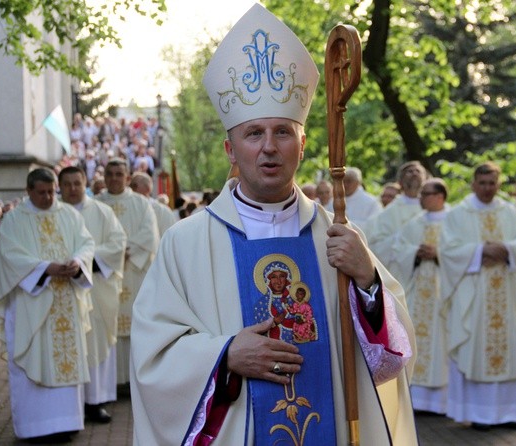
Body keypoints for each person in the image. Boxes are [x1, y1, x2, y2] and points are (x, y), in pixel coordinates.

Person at [130, 4, 417, 445]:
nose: (269, 148)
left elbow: (391, 361)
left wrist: (367, 281)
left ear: (302, 146)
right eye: (254, 134)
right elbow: (152, 354)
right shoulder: (185, 242)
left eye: (283, 132)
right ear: (230, 148)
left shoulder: (337, 237)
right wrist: (225, 354)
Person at [0, 168, 95, 443]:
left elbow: (86, 244)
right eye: (41, 192)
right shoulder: (13, 220)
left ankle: (67, 423)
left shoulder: (69, 215)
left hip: (66, 303)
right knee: (32, 359)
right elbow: (10, 257)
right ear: (29, 191)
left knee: (65, 361)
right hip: (30, 306)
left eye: (51, 191)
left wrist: (78, 263)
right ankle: (34, 427)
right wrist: (46, 268)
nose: (48, 197)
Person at [438, 161, 516, 431]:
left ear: (499, 184)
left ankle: (511, 413)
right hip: (474, 295)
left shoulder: (509, 212)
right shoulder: (458, 214)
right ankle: (481, 415)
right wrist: (479, 252)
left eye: (492, 183)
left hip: (506, 295)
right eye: (482, 183)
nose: (487, 188)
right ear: (474, 184)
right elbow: (448, 249)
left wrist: (506, 249)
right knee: (476, 349)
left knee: (510, 349)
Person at [59, 166, 127, 424]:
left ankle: (96, 401)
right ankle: (69, 403)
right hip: (62, 290)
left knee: (96, 343)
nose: (73, 189)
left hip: (96, 287)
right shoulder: (53, 214)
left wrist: (82, 262)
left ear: (85, 182)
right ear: (60, 186)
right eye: (67, 184)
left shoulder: (101, 211)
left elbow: (117, 243)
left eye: (77, 183)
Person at [96, 158, 159, 387]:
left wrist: (123, 251)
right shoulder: (95, 204)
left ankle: (133, 381)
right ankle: (108, 382)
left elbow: (150, 236)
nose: (114, 179)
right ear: (104, 177)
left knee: (135, 327)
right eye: (110, 174)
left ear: (128, 178)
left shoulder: (141, 204)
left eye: (118, 174)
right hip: (104, 274)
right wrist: (110, 255)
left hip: (133, 271)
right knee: (105, 324)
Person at [392, 178, 450, 415]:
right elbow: (398, 250)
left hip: (444, 293)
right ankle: (419, 400)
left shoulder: (454, 220)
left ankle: (445, 401)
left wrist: (440, 254)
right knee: (418, 338)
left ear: (439, 196)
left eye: (426, 193)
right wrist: (416, 253)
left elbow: (463, 251)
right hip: (418, 291)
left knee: (442, 342)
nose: (421, 198)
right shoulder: (413, 224)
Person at [365, 161, 427, 280]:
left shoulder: (433, 208)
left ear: (425, 179)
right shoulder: (388, 213)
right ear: (400, 182)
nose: (414, 173)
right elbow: (376, 246)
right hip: (402, 273)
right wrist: (407, 248)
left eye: (418, 171)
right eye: (410, 171)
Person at [331, 166, 381, 231]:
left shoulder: (372, 202)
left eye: (349, 181)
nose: (345, 185)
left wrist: (346, 224)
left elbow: (374, 226)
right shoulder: (333, 201)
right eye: (343, 181)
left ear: (358, 182)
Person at [130, 172, 176, 238]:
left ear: (147, 189)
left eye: (134, 186)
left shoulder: (162, 211)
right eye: (130, 186)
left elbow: (169, 237)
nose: (130, 189)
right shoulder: (129, 208)